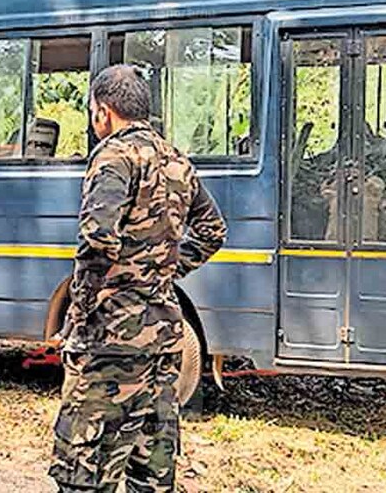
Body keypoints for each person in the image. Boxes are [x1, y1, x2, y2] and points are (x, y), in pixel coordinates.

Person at [49, 65, 227, 492]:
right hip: (163, 339)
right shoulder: (177, 161)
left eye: (94, 112)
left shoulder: (113, 157)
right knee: (151, 472)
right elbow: (213, 230)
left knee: (84, 472)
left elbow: (97, 240)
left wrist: (80, 310)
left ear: (103, 113)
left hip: (109, 340)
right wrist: (164, 269)